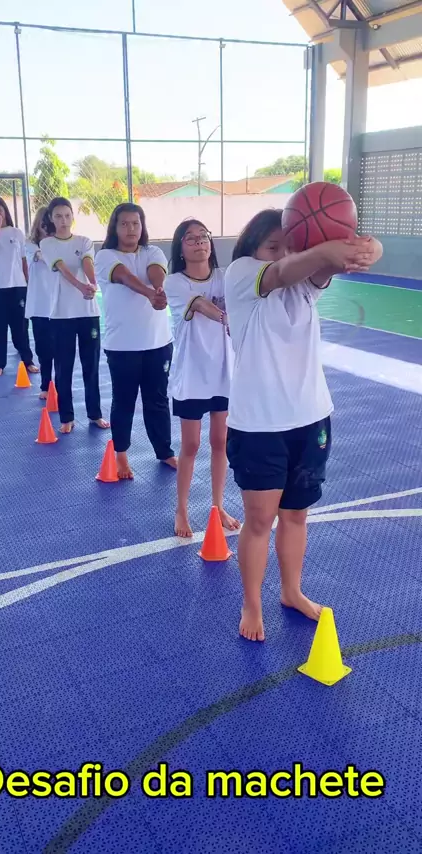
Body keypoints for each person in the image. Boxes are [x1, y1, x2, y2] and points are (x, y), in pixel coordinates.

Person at [224, 209, 383, 642]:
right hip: (259, 424)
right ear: (253, 249)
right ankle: (251, 602)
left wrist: (366, 248)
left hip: (311, 417)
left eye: (289, 245)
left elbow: (327, 263)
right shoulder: (242, 275)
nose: (283, 253)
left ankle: (291, 591)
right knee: (260, 520)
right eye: (272, 246)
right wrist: (322, 251)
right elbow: (282, 271)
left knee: (296, 515)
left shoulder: (305, 284)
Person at [165, 219, 239, 538]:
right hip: (192, 374)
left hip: (223, 373)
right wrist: (228, 318)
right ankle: (181, 509)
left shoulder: (226, 277)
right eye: (190, 238)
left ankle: (217, 506)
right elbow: (199, 305)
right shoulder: (175, 282)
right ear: (180, 249)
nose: (199, 242)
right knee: (191, 444)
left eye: (203, 237)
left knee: (220, 441)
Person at [95, 203, 176, 479]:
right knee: (124, 401)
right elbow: (125, 276)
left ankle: (164, 451)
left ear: (142, 227)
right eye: (125, 223)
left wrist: (159, 289)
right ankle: (121, 455)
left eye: (136, 223)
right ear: (115, 228)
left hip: (158, 344)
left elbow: (156, 272)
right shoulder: (105, 256)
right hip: (122, 347)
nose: (131, 229)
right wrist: (151, 294)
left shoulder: (153, 252)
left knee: (158, 401)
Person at [39, 197, 109, 433]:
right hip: (61, 316)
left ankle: (95, 414)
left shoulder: (84, 241)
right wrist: (80, 287)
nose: (64, 220)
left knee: (91, 366)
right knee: (64, 367)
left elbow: (87, 262)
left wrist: (93, 283)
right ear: (51, 218)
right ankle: (66, 417)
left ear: (72, 217)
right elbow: (62, 268)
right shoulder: (47, 244)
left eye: (67, 215)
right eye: (58, 216)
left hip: (88, 314)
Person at [0, 196, 38, 378]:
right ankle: (0, 364)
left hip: (17, 286)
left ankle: (28, 360)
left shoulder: (16, 233)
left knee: (20, 326)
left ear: (5, 211)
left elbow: (23, 260)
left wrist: (28, 282)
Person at [25, 207, 55, 399]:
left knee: (60, 349)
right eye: (43, 223)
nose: (46, 227)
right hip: (39, 307)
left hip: (58, 306)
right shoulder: (30, 245)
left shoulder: (60, 244)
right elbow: (42, 257)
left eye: (49, 223)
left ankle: (60, 385)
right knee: (43, 349)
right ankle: (46, 384)